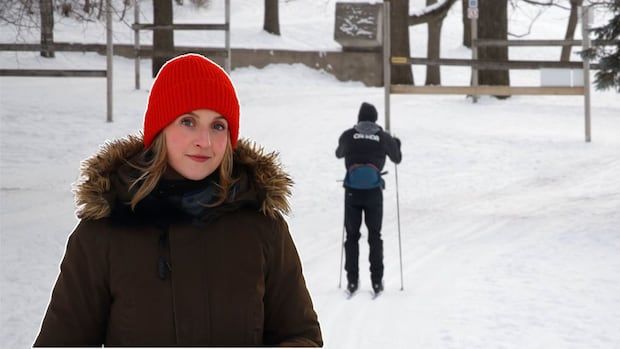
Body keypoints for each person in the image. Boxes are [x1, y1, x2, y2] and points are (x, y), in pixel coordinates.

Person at [34, 53, 322, 347]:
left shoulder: (263, 228)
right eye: (188, 121)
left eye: (218, 126)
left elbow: (301, 336)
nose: (205, 141)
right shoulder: (103, 233)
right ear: (161, 128)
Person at [335, 102, 402, 295]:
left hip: (352, 192)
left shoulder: (349, 134)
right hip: (373, 192)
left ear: (359, 117)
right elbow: (397, 158)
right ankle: (377, 281)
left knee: (352, 237)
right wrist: (396, 144)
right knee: (375, 236)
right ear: (374, 118)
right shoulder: (382, 136)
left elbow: (338, 153)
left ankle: (352, 281)